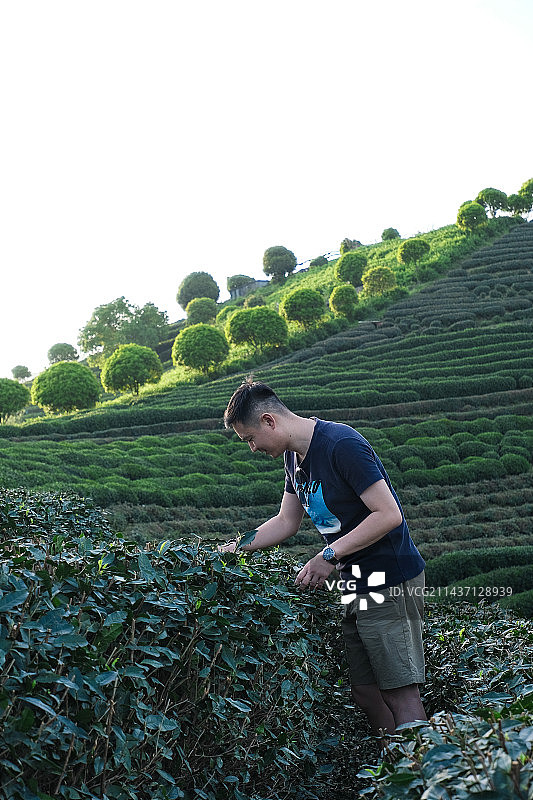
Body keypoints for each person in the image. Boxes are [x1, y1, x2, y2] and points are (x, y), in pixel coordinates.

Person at [218, 378, 427, 744]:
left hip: (389, 579)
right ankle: (399, 767)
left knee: (400, 692)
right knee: (365, 692)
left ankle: (426, 780)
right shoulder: (292, 457)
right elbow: (286, 521)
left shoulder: (341, 444)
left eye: (249, 438)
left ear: (269, 421)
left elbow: (389, 514)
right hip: (356, 582)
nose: (251, 448)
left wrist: (328, 555)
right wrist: (233, 548)